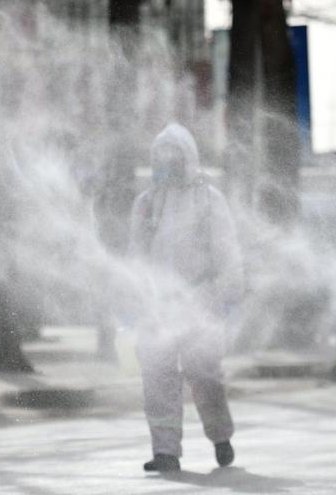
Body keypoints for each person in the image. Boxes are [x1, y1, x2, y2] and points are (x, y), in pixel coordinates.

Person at [127, 123, 242, 473]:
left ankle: (220, 436)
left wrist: (227, 295)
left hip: (201, 299)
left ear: (188, 158)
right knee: (157, 376)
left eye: (175, 156)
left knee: (204, 373)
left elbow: (228, 253)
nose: (168, 163)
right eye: (162, 156)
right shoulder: (146, 205)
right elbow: (136, 257)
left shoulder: (209, 200)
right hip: (159, 306)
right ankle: (165, 451)